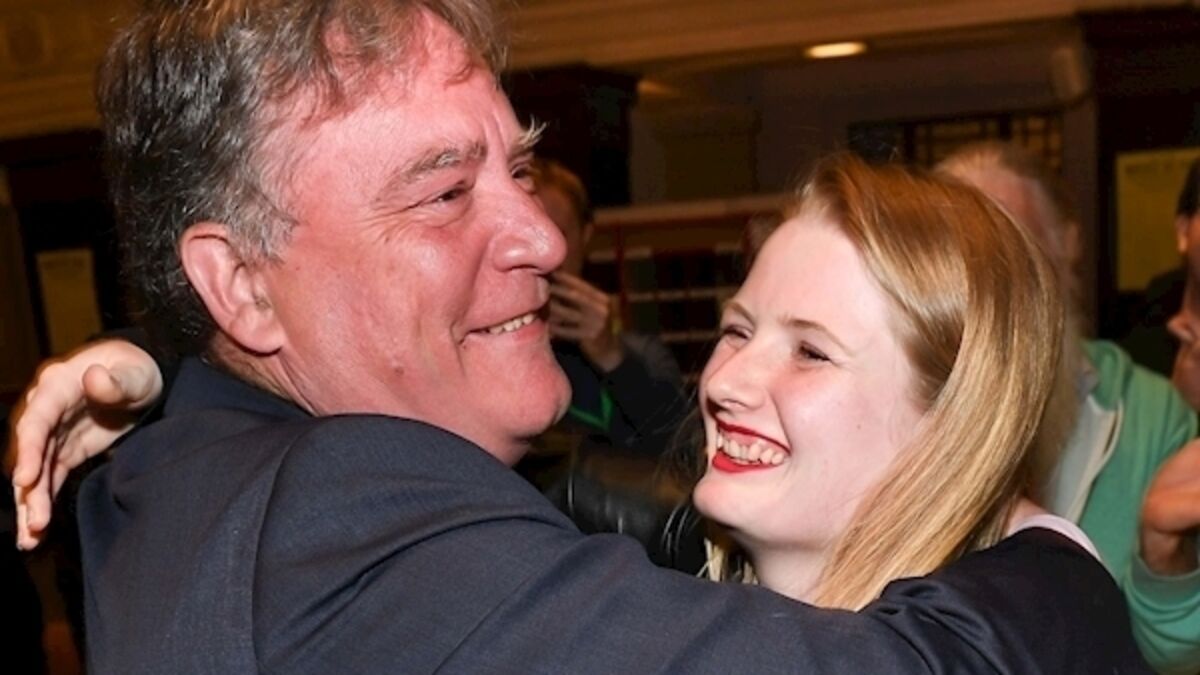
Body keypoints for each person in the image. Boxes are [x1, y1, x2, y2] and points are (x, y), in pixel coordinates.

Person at [5, 1, 1152, 672]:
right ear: (241, 287)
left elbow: (619, 506)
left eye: (516, 167)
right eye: (444, 193)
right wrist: (1064, 560)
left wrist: (159, 360)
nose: (544, 240)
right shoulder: (341, 516)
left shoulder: (166, 472)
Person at [941, 141, 1200, 672]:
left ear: (1067, 245)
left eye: (1014, 246)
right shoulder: (879, 410)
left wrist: (1163, 565)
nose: (989, 280)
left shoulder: (1151, 415)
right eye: (953, 254)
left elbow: (1175, 655)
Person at [535, 157, 687, 456]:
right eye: (532, 233)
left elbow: (682, 450)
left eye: (558, 233)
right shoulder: (483, 351)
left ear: (586, 236)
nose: (545, 253)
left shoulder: (642, 352)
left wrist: (612, 357)